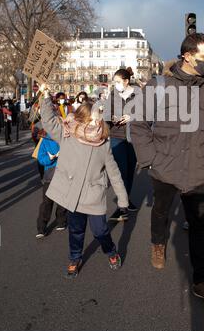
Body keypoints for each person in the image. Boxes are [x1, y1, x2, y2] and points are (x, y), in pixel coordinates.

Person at [130, 32, 204, 310]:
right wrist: (151, 159)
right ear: (187, 56)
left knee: (198, 226)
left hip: (199, 170)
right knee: (160, 212)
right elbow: (138, 124)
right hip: (164, 168)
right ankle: (158, 243)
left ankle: (202, 281)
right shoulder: (158, 86)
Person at [39, 85, 129, 278]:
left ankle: (111, 251)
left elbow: (114, 173)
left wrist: (122, 200)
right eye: (92, 120)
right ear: (81, 118)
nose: (96, 124)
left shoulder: (103, 143)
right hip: (73, 194)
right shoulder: (67, 134)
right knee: (76, 231)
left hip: (93, 195)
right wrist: (46, 96)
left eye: (98, 120)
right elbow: (47, 120)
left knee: (100, 231)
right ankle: (74, 258)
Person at [104, 68, 141, 221]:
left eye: (118, 82)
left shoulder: (139, 94)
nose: (116, 85)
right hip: (117, 136)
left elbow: (147, 113)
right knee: (122, 171)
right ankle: (122, 207)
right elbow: (106, 115)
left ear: (126, 81)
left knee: (131, 170)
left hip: (134, 137)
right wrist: (112, 117)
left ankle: (126, 200)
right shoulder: (112, 95)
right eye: (115, 82)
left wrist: (131, 116)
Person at [36, 134, 67, 238]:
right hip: (50, 174)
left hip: (63, 173)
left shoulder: (66, 137)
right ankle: (41, 228)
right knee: (46, 202)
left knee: (62, 200)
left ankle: (61, 221)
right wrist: (50, 158)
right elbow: (40, 158)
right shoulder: (45, 140)